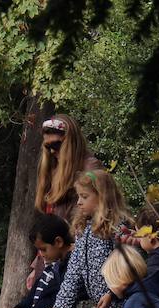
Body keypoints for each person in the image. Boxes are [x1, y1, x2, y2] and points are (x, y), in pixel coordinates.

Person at [44, 168, 132, 308]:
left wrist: (112, 293)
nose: (78, 202)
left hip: (123, 307)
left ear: (102, 197)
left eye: (84, 197)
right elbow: (74, 271)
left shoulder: (117, 227)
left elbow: (128, 266)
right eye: (79, 196)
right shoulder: (82, 230)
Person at [26, 115, 104, 290]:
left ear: (70, 141)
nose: (52, 151)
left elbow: (101, 216)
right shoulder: (53, 170)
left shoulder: (90, 168)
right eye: (48, 146)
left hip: (76, 258)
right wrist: (37, 265)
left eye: (56, 145)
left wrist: (78, 246)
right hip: (53, 255)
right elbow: (50, 223)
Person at [12, 213, 74, 308]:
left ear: (58, 242)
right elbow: (34, 293)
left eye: (43, 249)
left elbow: (52, 299)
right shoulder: (53, 267)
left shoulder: (70, 267)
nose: (41, 254)